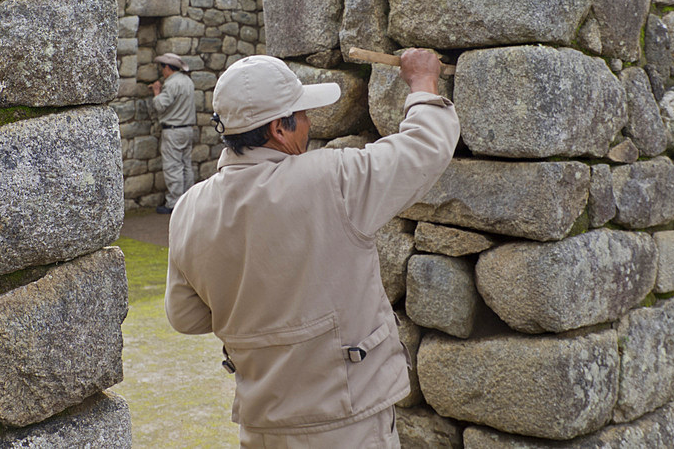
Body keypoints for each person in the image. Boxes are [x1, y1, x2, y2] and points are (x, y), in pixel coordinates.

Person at [165, 49, 460, 448]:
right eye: (302, 115)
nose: (308, 123)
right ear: (279, 129)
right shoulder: (331, 180)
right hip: (347, 423)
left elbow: (185, 317)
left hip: (262, 425)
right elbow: (424, 148)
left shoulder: (189, 208)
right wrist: (423, 83)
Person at [151, 52, 196, 214]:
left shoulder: (171, 83)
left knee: (173, 167)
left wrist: (157, 92)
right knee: (186, 165)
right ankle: (188, 199)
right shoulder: (188, 81)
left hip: (173, 130)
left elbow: (161, 105)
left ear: (168, 68)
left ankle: (174, 203)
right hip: (187, 128)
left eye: (163, 68)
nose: (162, 71)